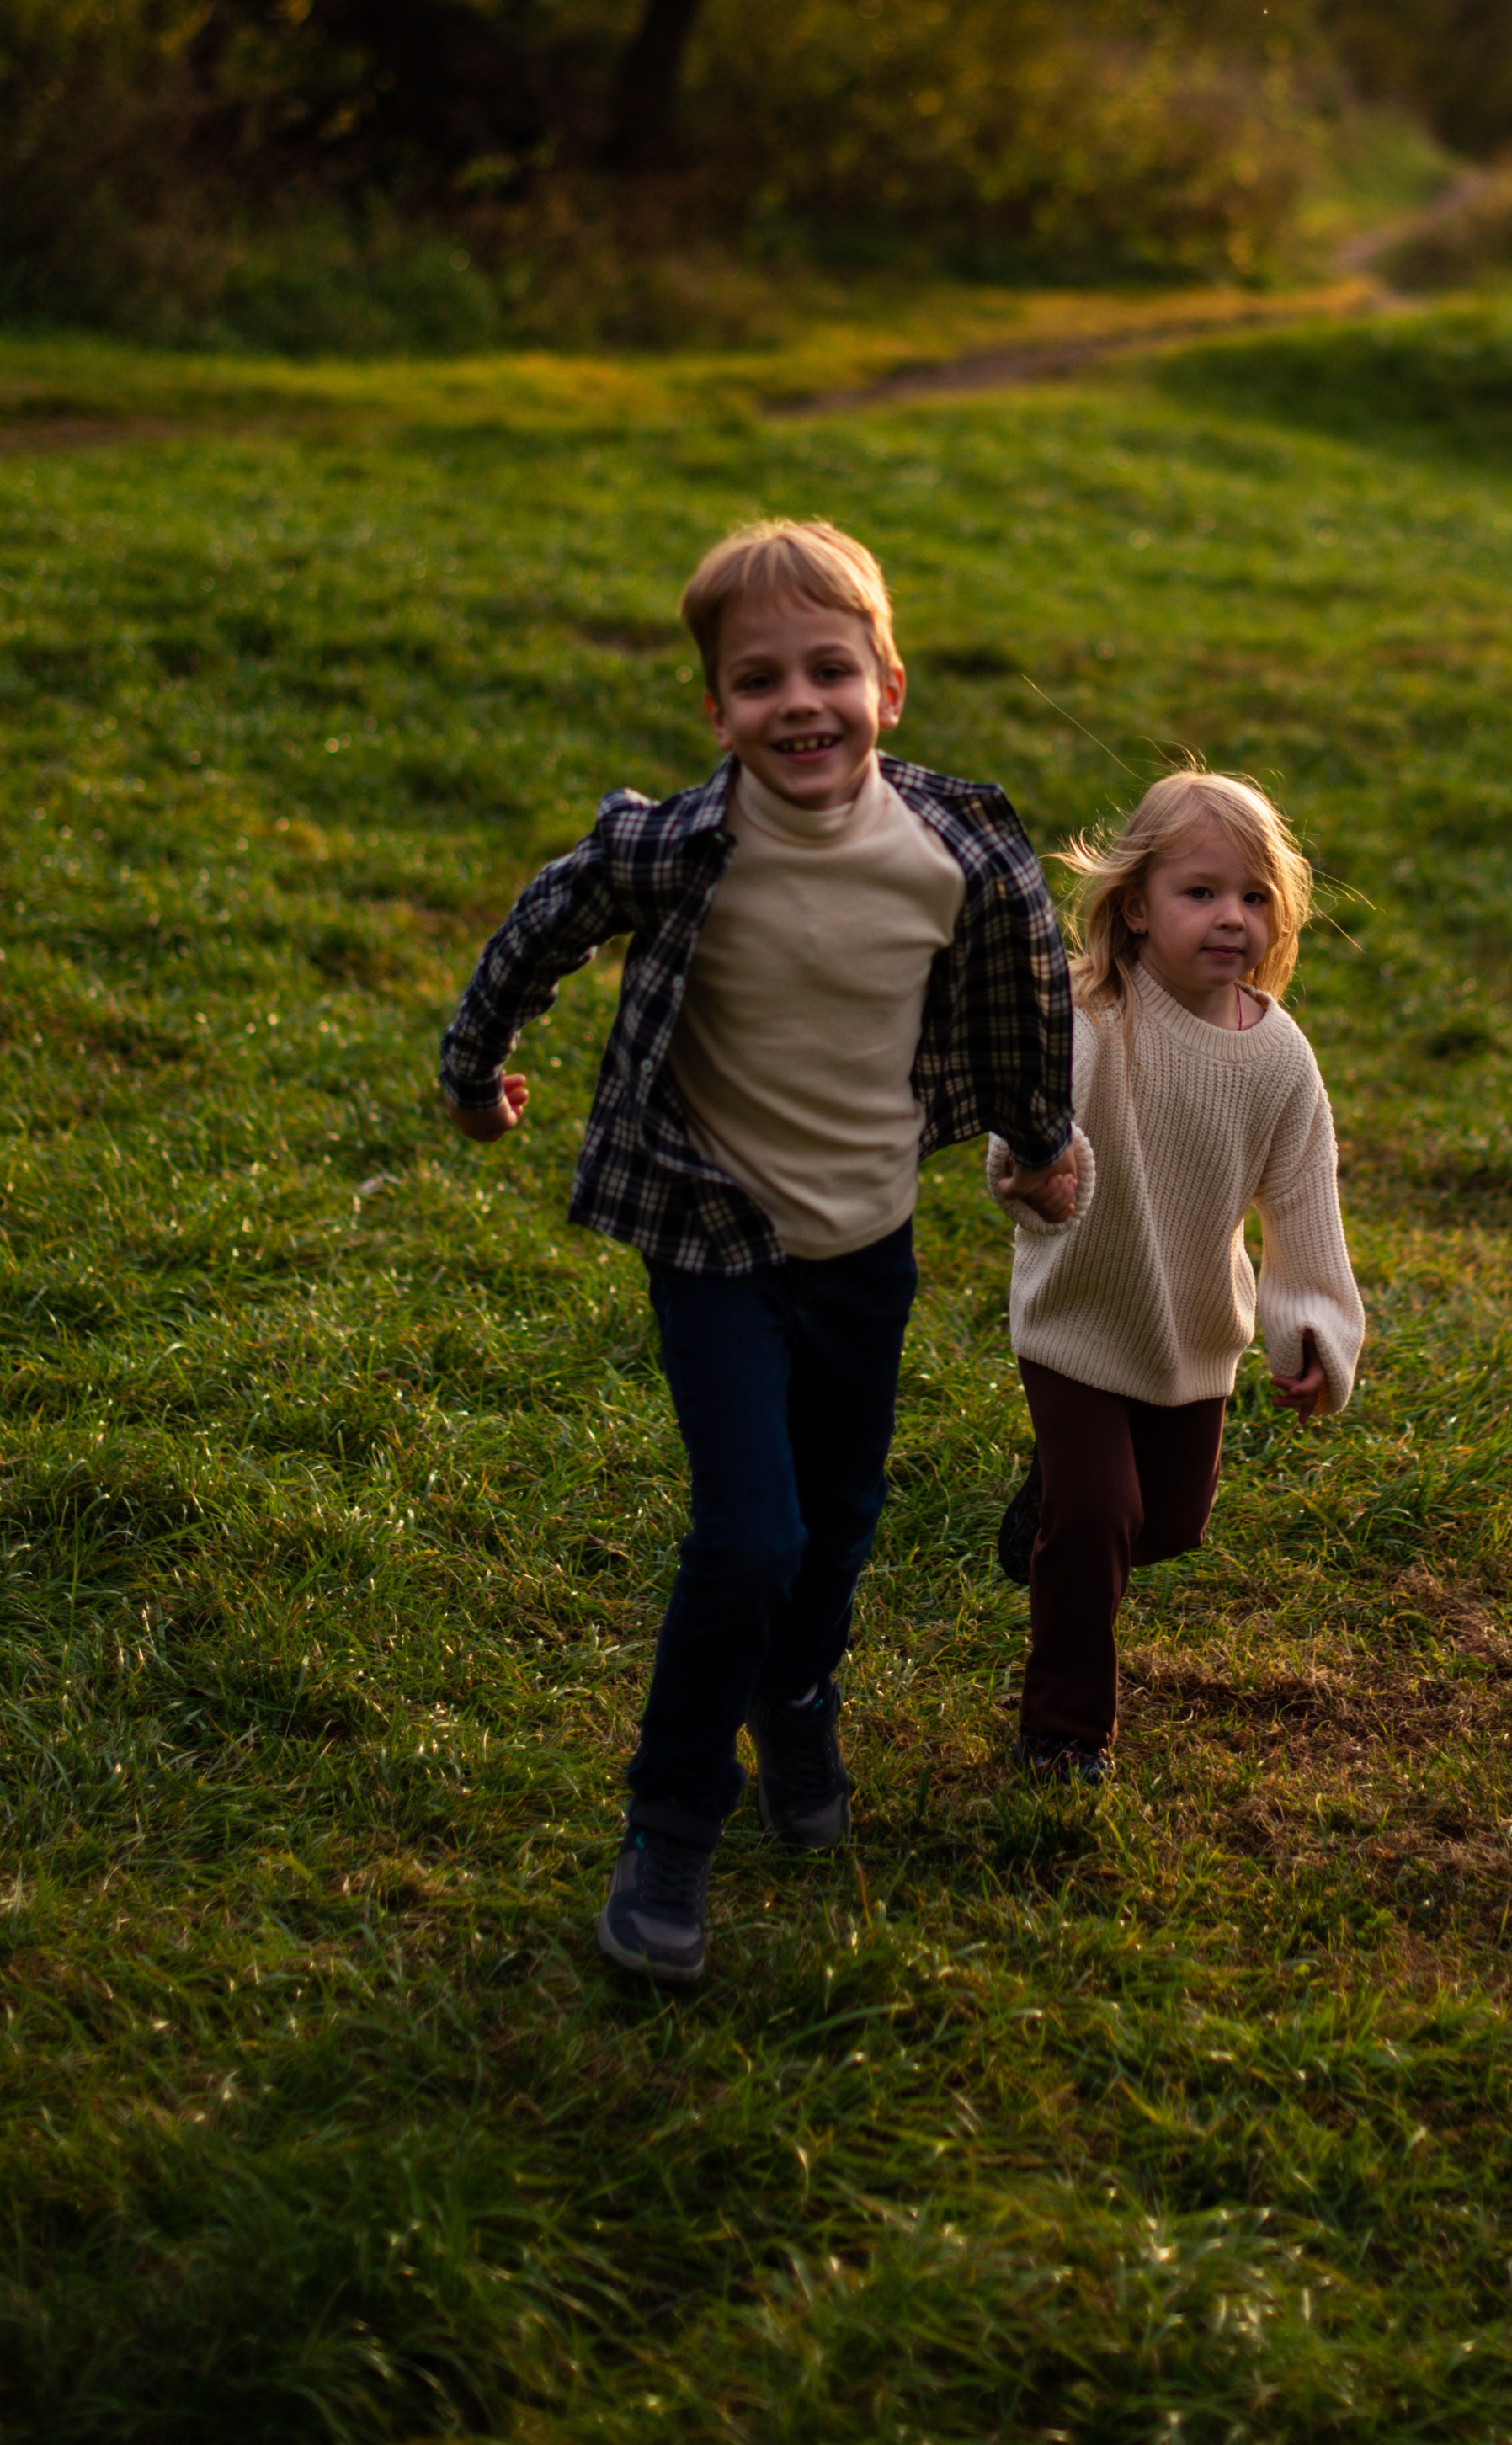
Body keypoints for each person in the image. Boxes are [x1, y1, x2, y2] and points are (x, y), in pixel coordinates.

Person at [440, 519, 1078, 1984]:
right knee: (752, 1530)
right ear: (717, 710)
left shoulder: (957, 853)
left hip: (867, 1242)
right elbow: (545, 920)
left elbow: (1020, 994)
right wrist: (476, 1074)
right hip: (709, 1231)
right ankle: (671, 1823)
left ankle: (795, 1696)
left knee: (843, 1514)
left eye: (830, 670)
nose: (800, 702)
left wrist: (1040, 1139)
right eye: (759, 680)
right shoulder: (678, 846)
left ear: (890, 687)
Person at [985, 768, 1364, 1782]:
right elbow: (1027, 1129)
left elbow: (1300, 1208)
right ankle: (1064, 1732)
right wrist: (1032, 1170)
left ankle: (1048, 1520)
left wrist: (1317, 1331)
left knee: (1165, 1525)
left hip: (1192, 1330)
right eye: (1200, 893)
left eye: (1252, 896)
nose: (1230, 918)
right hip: (1077, 1314)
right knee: (1101, 1518)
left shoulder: (1280, 1058)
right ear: (1136, 907)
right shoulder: (1089, 1013)